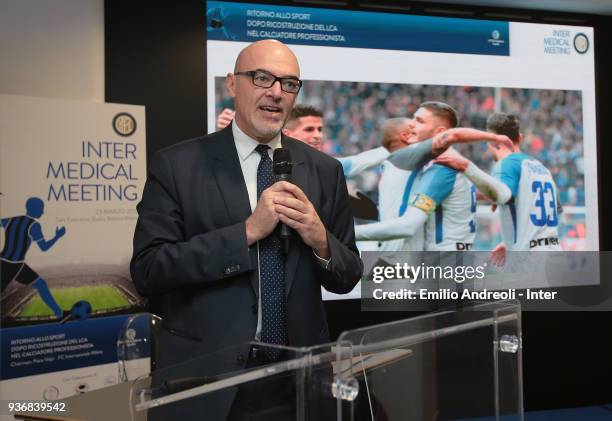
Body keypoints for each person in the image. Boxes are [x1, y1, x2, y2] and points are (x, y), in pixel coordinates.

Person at [130, 39, 363, 420]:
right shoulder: (177, 165)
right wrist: (246, 232)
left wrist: (319, 238)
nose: (276, 92)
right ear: (232, 84)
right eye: (261, 78)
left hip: (299, 383)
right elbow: (149, 270)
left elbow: (348, 276)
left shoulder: (324, 171)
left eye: (289, 84)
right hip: (207, 383)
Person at [355, 102, 511, 251]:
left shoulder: (442, 167)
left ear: (439, 133)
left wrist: (348, 233)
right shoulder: (455, 162)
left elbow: (408, 226)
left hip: (443, 261)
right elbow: (501, 195)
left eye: (420, 121)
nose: (411, 124)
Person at [435, 113, 562, 263]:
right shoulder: (541, 168)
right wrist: (512, 241)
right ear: (520, 138)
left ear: (492, 142)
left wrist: (465, 166)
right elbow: (555, 208)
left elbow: (500, 194)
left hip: (530, 261)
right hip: (554, 255)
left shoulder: (506, 164)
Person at [1, 197, 66, 320]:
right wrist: (57, 236)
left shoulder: (10, 220)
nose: (42, 212)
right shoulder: (34, 225)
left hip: (13, 264)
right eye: (41, 209)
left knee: (41, 284)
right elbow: (44, 247)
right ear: (35, 209)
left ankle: (59, 313)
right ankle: (60, 314)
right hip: (12, 265)